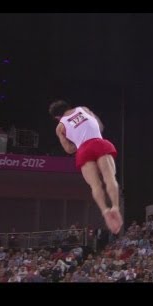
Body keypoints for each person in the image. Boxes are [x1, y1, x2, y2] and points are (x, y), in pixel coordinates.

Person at [49, 100, 123, 234]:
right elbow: (99, 125)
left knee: (95, 185)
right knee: (110, 178)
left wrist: (77, 142)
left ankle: (105, 210)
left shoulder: (60, 127)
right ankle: (116, 207)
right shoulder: (83, 109)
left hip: (83, 149)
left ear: (57, 117)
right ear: (68, 107)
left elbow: (68, 149)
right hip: (98, 142)